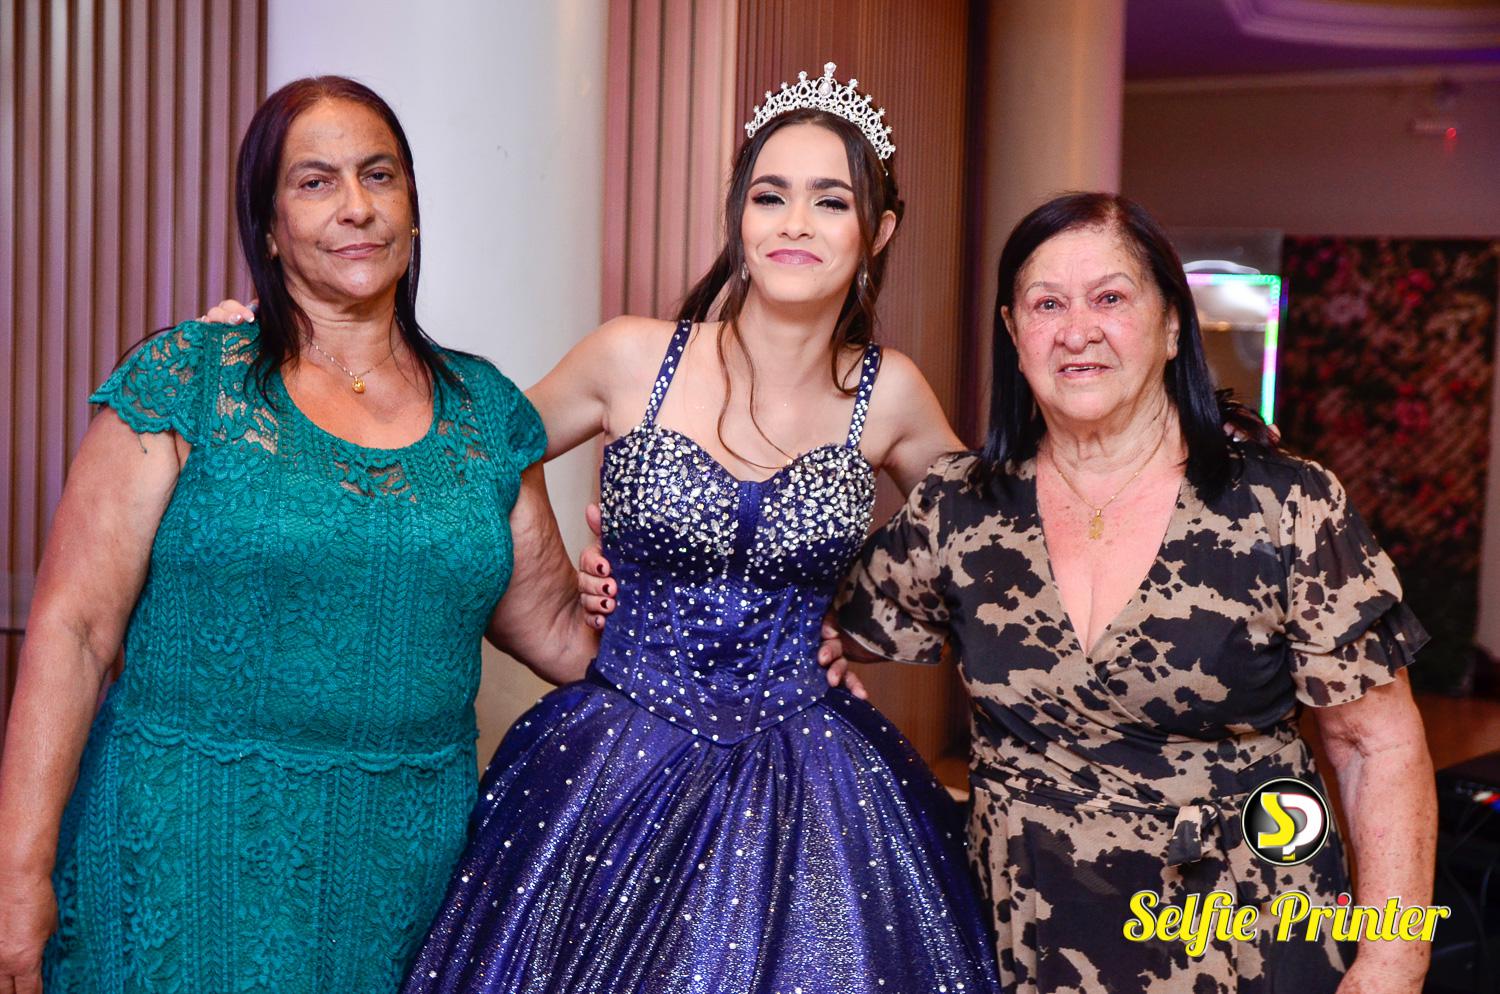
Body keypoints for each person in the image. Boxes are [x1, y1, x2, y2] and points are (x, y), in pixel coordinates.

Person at [387, 64, 1001, 993]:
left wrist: (866, 627)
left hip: (813, 777)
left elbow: (992, 550)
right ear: (738, 216)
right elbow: (467, 449)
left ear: (877, 232)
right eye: (770, 196)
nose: (795, 223)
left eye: (831, 201)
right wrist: (550, 566)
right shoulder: (632, 356)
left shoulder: (891, 393)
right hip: (612, 760)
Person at [0, 76, 594, 994]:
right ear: (269, 227)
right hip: (183, 851)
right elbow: (72, 632)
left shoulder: (486, 413)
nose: (356, 206)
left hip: (400, 872)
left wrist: (763, 630)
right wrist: (17, 877)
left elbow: (555, 629)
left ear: (413, 211)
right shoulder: (188, 380)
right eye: (315, 182)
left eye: (379, 175)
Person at [831, 193, 1437, 993]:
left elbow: (1375, 746)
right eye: (1047, 305)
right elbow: (814, 631)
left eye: (1110, 298)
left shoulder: (1285, 505)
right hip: (1019, 943)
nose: (1077, 331)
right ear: (1014, 333)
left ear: (1172, 324)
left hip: (1239, 940)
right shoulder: (962, 508)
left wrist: (1394, 959)